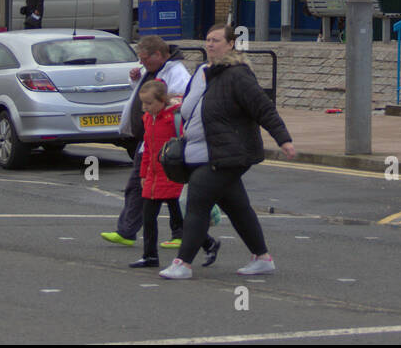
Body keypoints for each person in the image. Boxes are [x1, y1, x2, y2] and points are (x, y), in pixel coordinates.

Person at [160, 24, 297, 280]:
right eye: (208, 40)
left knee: (197, 202)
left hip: (228, 153)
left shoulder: (238, 75)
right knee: (237, 206)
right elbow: (190, 109)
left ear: (231, 44)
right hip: (200, 152)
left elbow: (263, 109)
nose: (210, 44)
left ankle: (183, 263)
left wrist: (283, 140)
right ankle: (262, 258)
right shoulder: (201, 71)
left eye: (216, 40)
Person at [100, 35, 191, 248]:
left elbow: (179, 105)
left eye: (144, 59)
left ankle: (182, 235)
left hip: (166, 144)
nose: (141, 64)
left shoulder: (177, 74)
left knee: (170, 193)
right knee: (138, 187)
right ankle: (127, 232)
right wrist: (135, 80)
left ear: (158, 54)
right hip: (149, 139)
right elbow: (147, 97)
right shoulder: (153, 70)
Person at [129, 81, 220, 268]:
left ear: (162, 101)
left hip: (173, 175)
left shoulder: (174, 119)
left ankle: (208, 243)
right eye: (143, 104)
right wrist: (143, 172)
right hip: (154, 177)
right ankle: (150, 256)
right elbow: (147, 149)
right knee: (148, 218)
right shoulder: (148, 118)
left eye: (149, 103)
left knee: (182, 220)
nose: (145, 108)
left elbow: (186, 144)